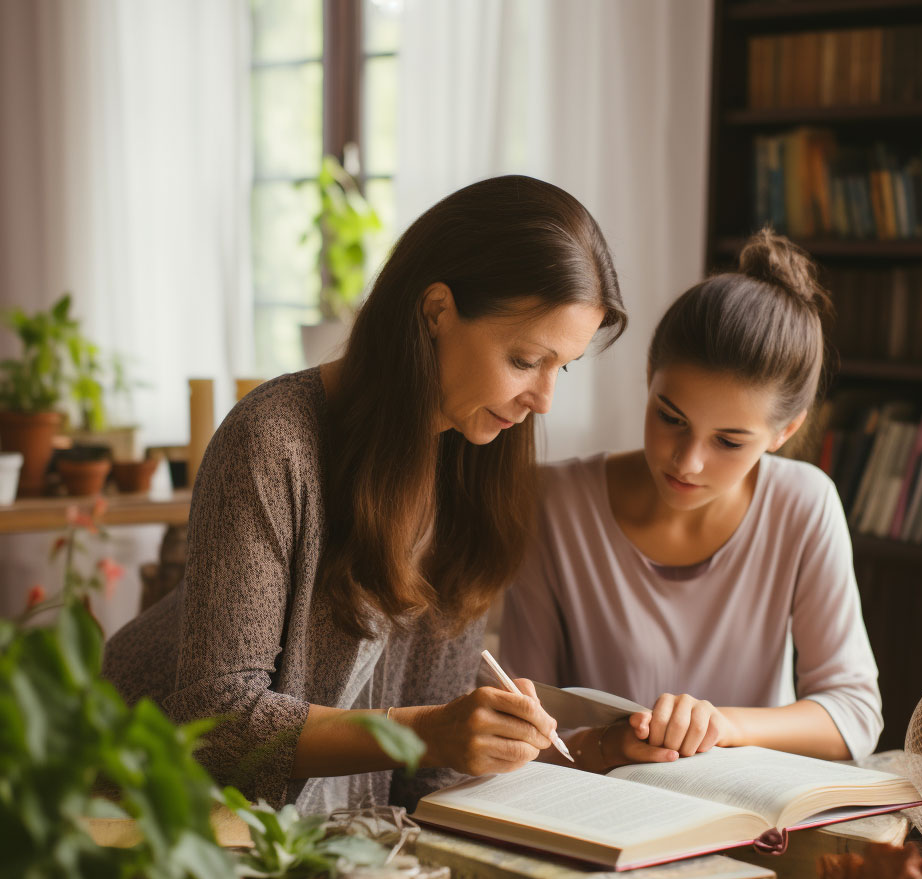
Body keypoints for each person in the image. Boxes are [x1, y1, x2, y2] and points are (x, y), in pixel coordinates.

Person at [103, 174, 627, 813]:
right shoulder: (273, 440)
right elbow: (217, 723)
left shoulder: (472, 465)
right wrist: (430, 733)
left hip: (321, 837)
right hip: (145, 803)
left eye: (560, 367)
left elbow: (420, 783)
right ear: (436, 311)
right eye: (524, 360)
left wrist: (574, 751)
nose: (543, 399)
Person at [500, 229, 882, 773]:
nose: (687, 462)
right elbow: (521, 716)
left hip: (748, 817)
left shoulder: (803, 504)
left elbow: (856, 713)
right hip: (597, 805)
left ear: (785, 430)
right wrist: (610, 747)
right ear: (648, 379)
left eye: (728, 441)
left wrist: (723, 727)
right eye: (670, 418)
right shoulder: (552, 501)